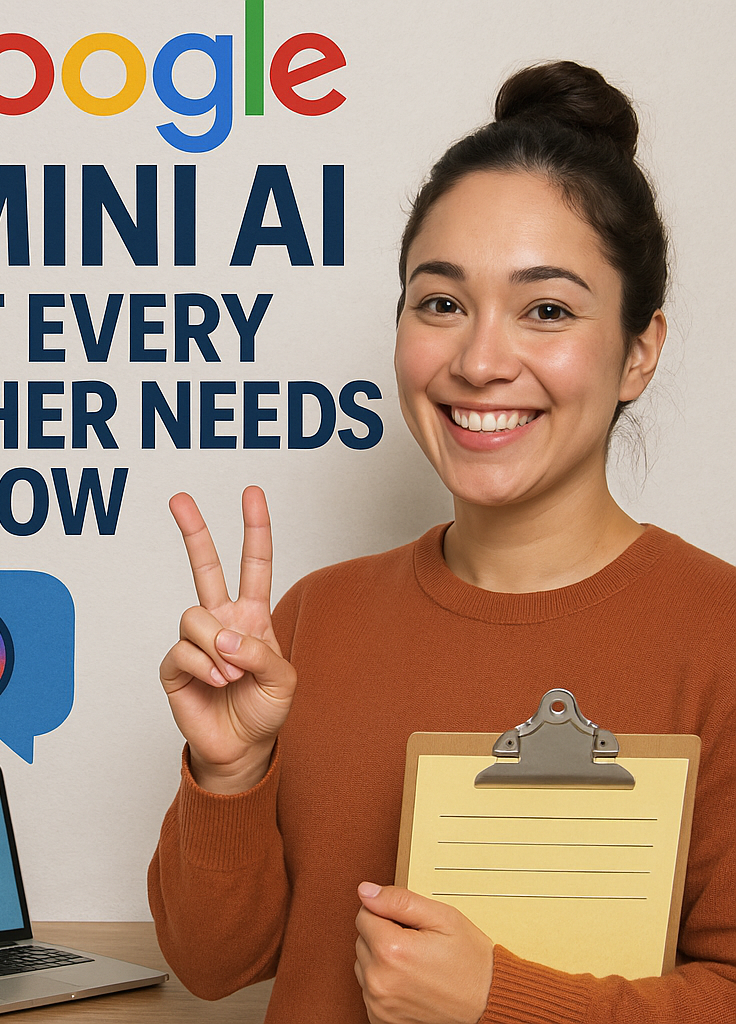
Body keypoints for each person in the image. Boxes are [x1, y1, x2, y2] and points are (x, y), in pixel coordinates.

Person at [147, 61, 736, 1024]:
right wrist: (228, 774)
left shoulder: (721, 635)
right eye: (441, 302)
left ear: (639, 350)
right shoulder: (314, 618)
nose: (479, 360)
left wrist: (501, 1000)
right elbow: (214, 966)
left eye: (546, 309)